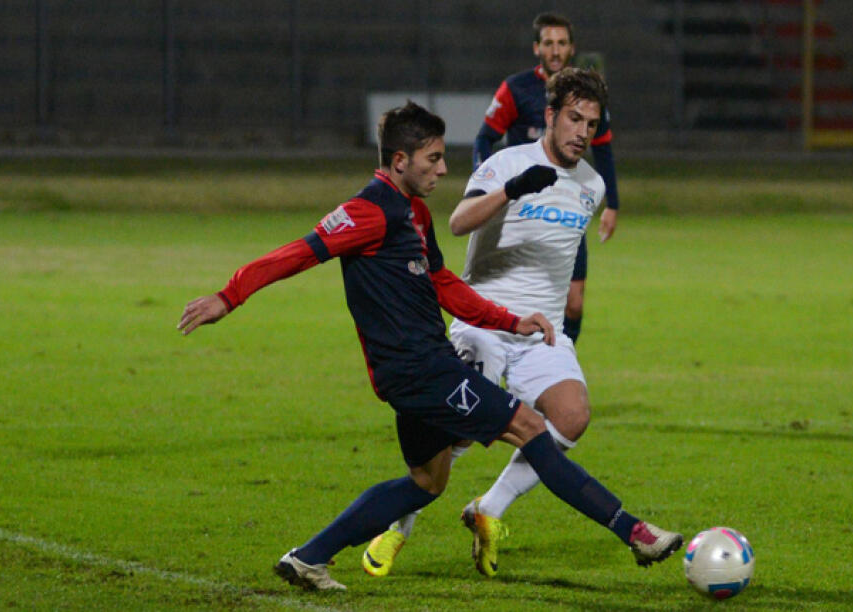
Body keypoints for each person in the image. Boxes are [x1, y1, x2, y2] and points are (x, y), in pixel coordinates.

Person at [177, 102, 683, 591]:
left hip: (422, 367)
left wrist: (511, 320)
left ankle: (307, 557)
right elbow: (298, 253)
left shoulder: (414, 213)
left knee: (427, 481)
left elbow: (443, 282)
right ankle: (633, 532)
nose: (443, 169)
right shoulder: (369, 212)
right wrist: (230, 295)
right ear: (400, 161)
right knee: (530, 428)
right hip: (421, 371)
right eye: (434, 158)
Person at [362, 68, 618, 579]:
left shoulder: (592, 185)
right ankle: (397, 528)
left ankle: (488, 509)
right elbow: (458, 223)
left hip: (538, 329)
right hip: (483, 319)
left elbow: (562, 252)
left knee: (571, 416)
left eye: (591, 123)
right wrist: (513, 191)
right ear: (550, 116)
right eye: (573, 118)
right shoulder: (507, 163)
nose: (582, 132)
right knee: (450, 435)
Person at [473, 11, 621, 345]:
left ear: (572, 48)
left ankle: (559, 360)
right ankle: (507, 364)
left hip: (567, 206)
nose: (555, 51)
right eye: (549, 43)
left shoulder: (587, 96)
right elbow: (484, 138)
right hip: (523, 208)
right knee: (512, 294)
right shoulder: (516, 89)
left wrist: (613, 203)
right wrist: (487, 188)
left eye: (562, 43)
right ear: (536, 48)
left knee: (574, 301)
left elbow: (604, 150)